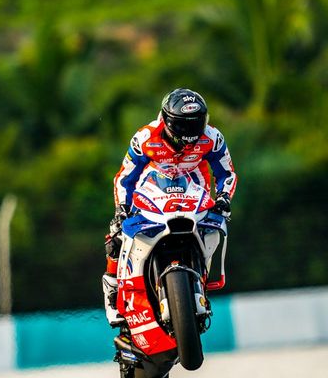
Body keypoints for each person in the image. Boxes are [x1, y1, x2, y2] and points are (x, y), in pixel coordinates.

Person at [102, 88, 237, 326]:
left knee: (214, 226)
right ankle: (112, 291)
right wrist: (121, 209)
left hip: (194, 191)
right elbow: (125, 178)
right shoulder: (144, 138)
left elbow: (226, 173)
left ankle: (200, 277)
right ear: (166, 121)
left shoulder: (212, 137)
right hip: (152, 190)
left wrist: (224, 198)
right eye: (184, 128)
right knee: (116, 236)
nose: (189, 137)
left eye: (196, 126)